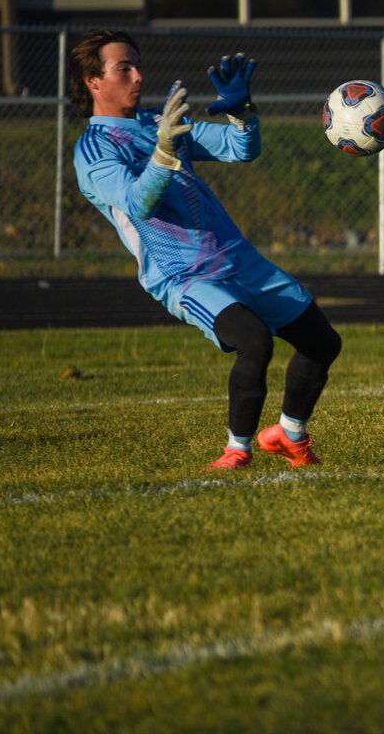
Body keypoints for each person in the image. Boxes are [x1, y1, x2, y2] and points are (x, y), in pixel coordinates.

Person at [70, 29, 341, 470]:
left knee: (322, 343)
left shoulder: (160, 122)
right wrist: (162, 152)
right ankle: (237, 450)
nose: (138, 75)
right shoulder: (94, 148)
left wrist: (242, 113)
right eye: (124, 68)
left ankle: (290, 435)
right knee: (253, 341)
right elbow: (139, 201)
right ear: (92, 81)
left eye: (138, 64)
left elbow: (241, 149)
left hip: (240, 259)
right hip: (185, 275)